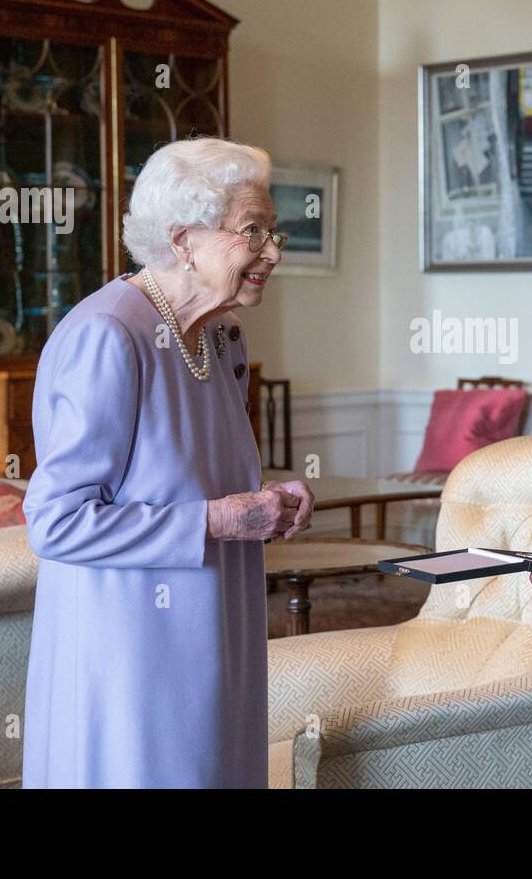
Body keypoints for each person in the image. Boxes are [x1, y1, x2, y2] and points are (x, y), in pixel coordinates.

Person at [22, 137, 314, 788]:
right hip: (130, 649)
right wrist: (216, 520)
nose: (273, 251)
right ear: (183, 240)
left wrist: (265, 500)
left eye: (274, 232)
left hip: (217, 630)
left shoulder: (222, 334)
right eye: (253, 231)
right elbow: (56, 520)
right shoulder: (108, 336)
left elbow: (185, 477)